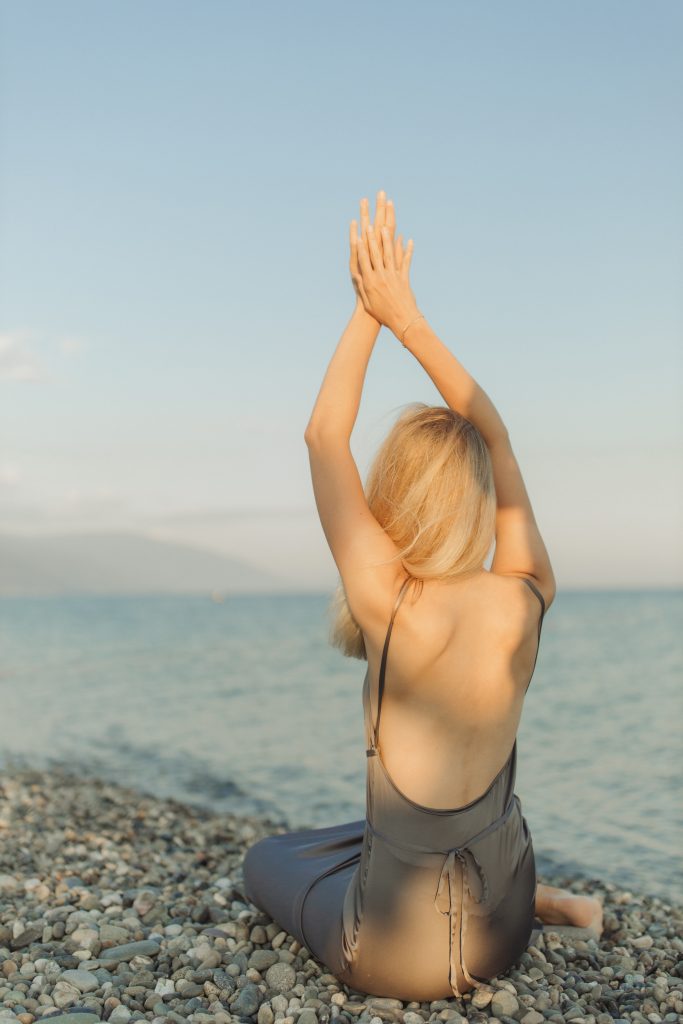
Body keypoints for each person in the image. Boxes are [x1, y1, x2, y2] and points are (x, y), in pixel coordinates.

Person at [242, 191, 603, 1001]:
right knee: (370, 836)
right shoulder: (528, 593)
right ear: (476, 497)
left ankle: (543, 906)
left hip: (395, 958)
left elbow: (322, 435)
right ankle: (548, 904)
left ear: (392, 499)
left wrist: (368, 309)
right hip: (500, 929)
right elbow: (497, 434)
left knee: (267, 858)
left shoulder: (388, 602)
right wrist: (409, 320)